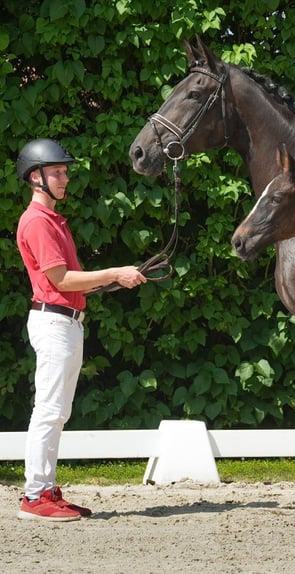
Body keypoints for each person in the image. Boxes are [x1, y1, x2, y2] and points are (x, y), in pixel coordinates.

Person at [15, 138, 147, 521]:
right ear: (35, 177)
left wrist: (115, 281)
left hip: (66, 321)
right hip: (54, 321)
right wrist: (114, 272)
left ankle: (45, 489)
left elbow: (71, 280)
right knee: (49, 411)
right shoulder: (38, 222)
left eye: (65, 171)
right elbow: (60, 278)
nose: (65, 177)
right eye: (57, 172)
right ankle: (35, 495)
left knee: (58, 411)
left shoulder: (53, 220)